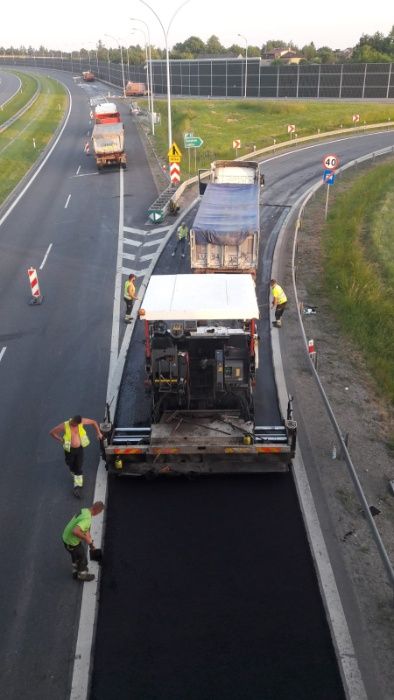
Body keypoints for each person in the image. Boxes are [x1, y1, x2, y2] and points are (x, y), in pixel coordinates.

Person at [50, 415, 103, 498]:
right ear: (72, 420)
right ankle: (73, 470)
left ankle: (77, 486)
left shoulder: (81, 422)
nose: (75, 425)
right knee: (70, 463)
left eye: (76, 424)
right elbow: (52, 432)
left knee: (78, 466)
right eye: (74, 424)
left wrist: (98, 433)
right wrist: (60, 439)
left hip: (79, 449)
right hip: (69, 450)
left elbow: (93, 422)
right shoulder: (65, 425)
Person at [62, 501, 105, 582]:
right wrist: (85, 538)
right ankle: (82, 575)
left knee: (75, 556)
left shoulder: (85, 511)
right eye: (100, 512)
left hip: (66, 537)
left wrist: (89, 539)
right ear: (97, 511)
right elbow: (75, 531)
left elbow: (83, 526)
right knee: (82, 557)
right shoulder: (87, 519)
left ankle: (75, 572)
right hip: (71, 542)